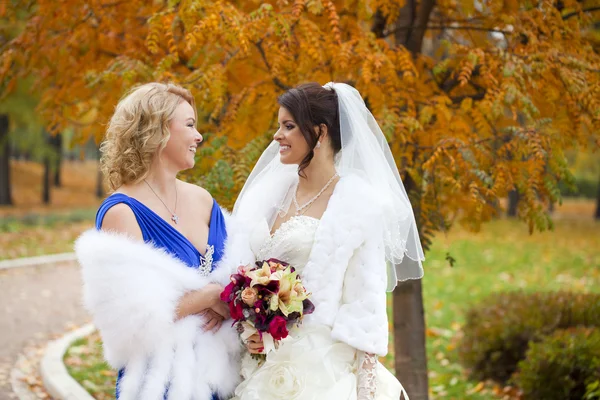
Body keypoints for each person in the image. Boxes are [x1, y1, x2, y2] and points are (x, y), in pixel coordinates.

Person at [220, 82, 425, 399]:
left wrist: (366, 391)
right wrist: (249, 331)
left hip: (322, 370)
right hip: (258, 365)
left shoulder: (359, 206)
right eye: (279, 126)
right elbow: (241, 276)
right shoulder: (270, 195)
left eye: (288, 126)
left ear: (321, 131)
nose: (277, 137)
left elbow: (364, 306)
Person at [75, 82, 241, 400]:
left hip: (220, 376)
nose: (199, 136)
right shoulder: (122, 212)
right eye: (190, 125)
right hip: (161, 381)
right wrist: (209, 296)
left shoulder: (204, 200)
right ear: (157, 131)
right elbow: (130, 323)